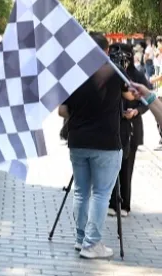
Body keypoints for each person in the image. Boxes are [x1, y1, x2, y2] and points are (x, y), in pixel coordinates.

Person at [57, 32, 131, 259]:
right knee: (100, 193)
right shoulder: (115, 73)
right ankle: (92, 243)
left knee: (80, 192)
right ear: (106, 51)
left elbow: (61, 110)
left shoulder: (73, 74)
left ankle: (80, 240)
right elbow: (129, 95)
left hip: (78, 141)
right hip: (107, 142)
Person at [108, 44, 150, 217]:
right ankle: (110, 202)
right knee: (111, 166)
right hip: (113, 126)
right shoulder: (110, 73)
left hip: (131, 127)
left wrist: (136, 111)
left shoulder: (137, 75)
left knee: (127, 166)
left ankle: (124, 203)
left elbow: (147, 100)